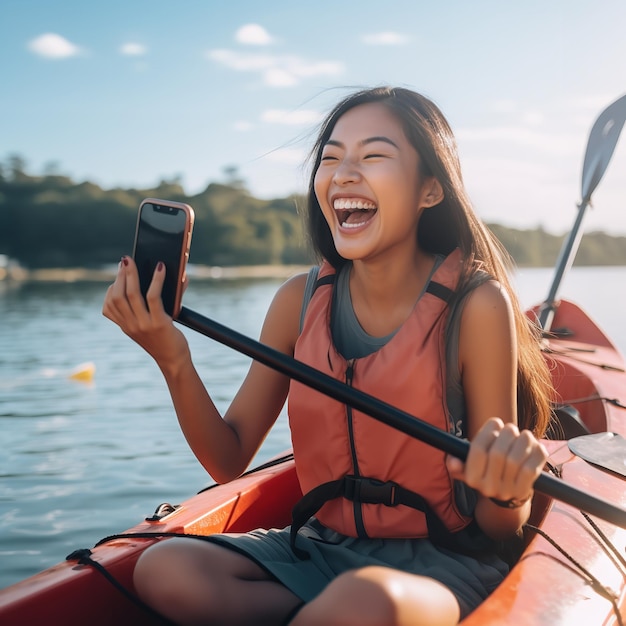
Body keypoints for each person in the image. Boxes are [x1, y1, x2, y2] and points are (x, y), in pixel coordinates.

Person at [102, 86, 554, 626]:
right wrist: (173, 359)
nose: (342, 174)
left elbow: (502, 525)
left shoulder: (477, 305)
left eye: (374, 156)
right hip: (318, 548)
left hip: (443, 565)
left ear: (430, 190)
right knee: (166, 568)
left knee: (364, 602)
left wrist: (507, 496)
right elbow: (228, 460)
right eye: (331, 158)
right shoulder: (298, 299)